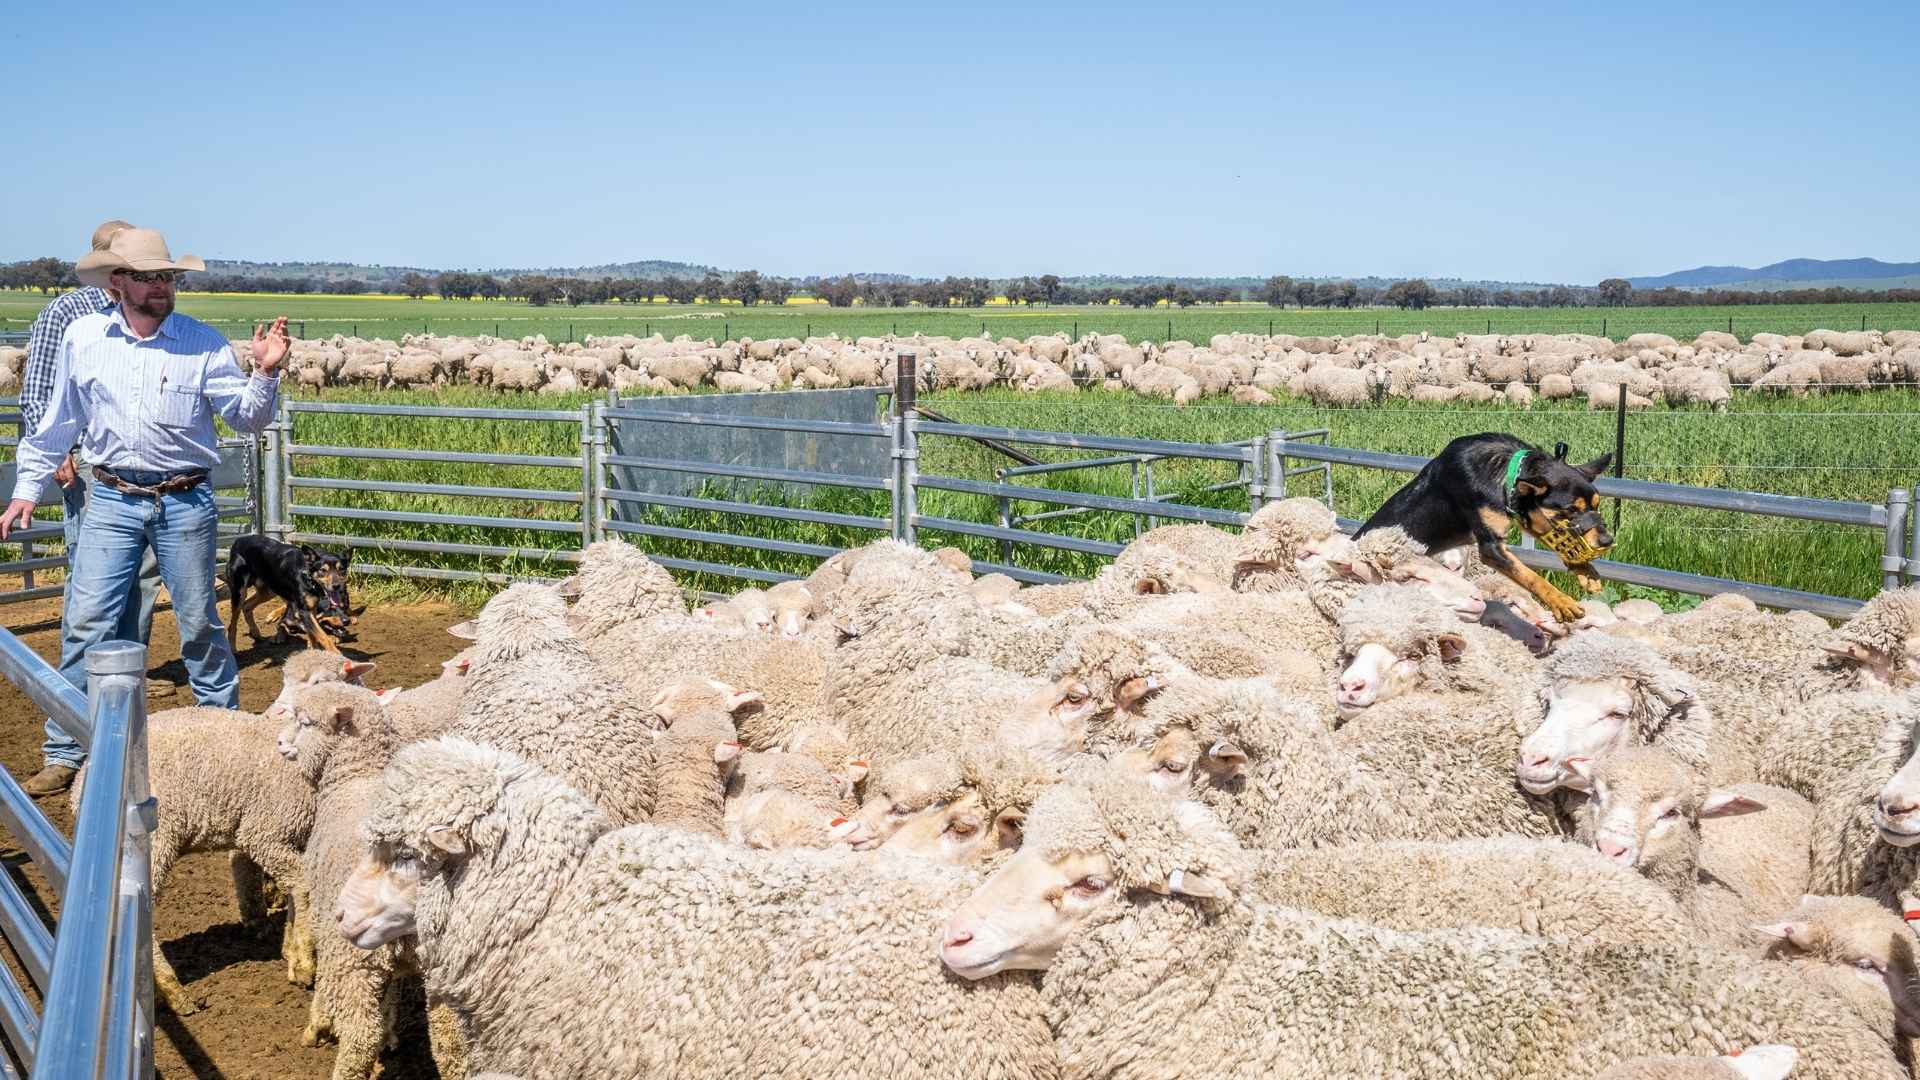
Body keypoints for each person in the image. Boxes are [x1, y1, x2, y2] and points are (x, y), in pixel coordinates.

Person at [0, 227, 288, 796]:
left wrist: (266, 373)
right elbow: (57, 421)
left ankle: (223, 740)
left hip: (185, 500)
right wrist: (27, 490)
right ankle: (65, 750)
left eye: (168, 277)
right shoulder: (84, 338)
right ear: (118, 283)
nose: (161, 286)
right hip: (108, 495)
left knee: (200, 622)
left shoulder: (202, 343)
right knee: (87, 623)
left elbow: (247, 420)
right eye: (148, 277)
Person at [16, 219, 165, 795]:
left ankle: (119, 717)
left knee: (141, 593)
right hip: (93, 473)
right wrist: (59, 454)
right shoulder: (69, 311)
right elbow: (39, 391)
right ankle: (66, 742)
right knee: (90, 601)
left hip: (151, 484)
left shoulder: (154, 312)